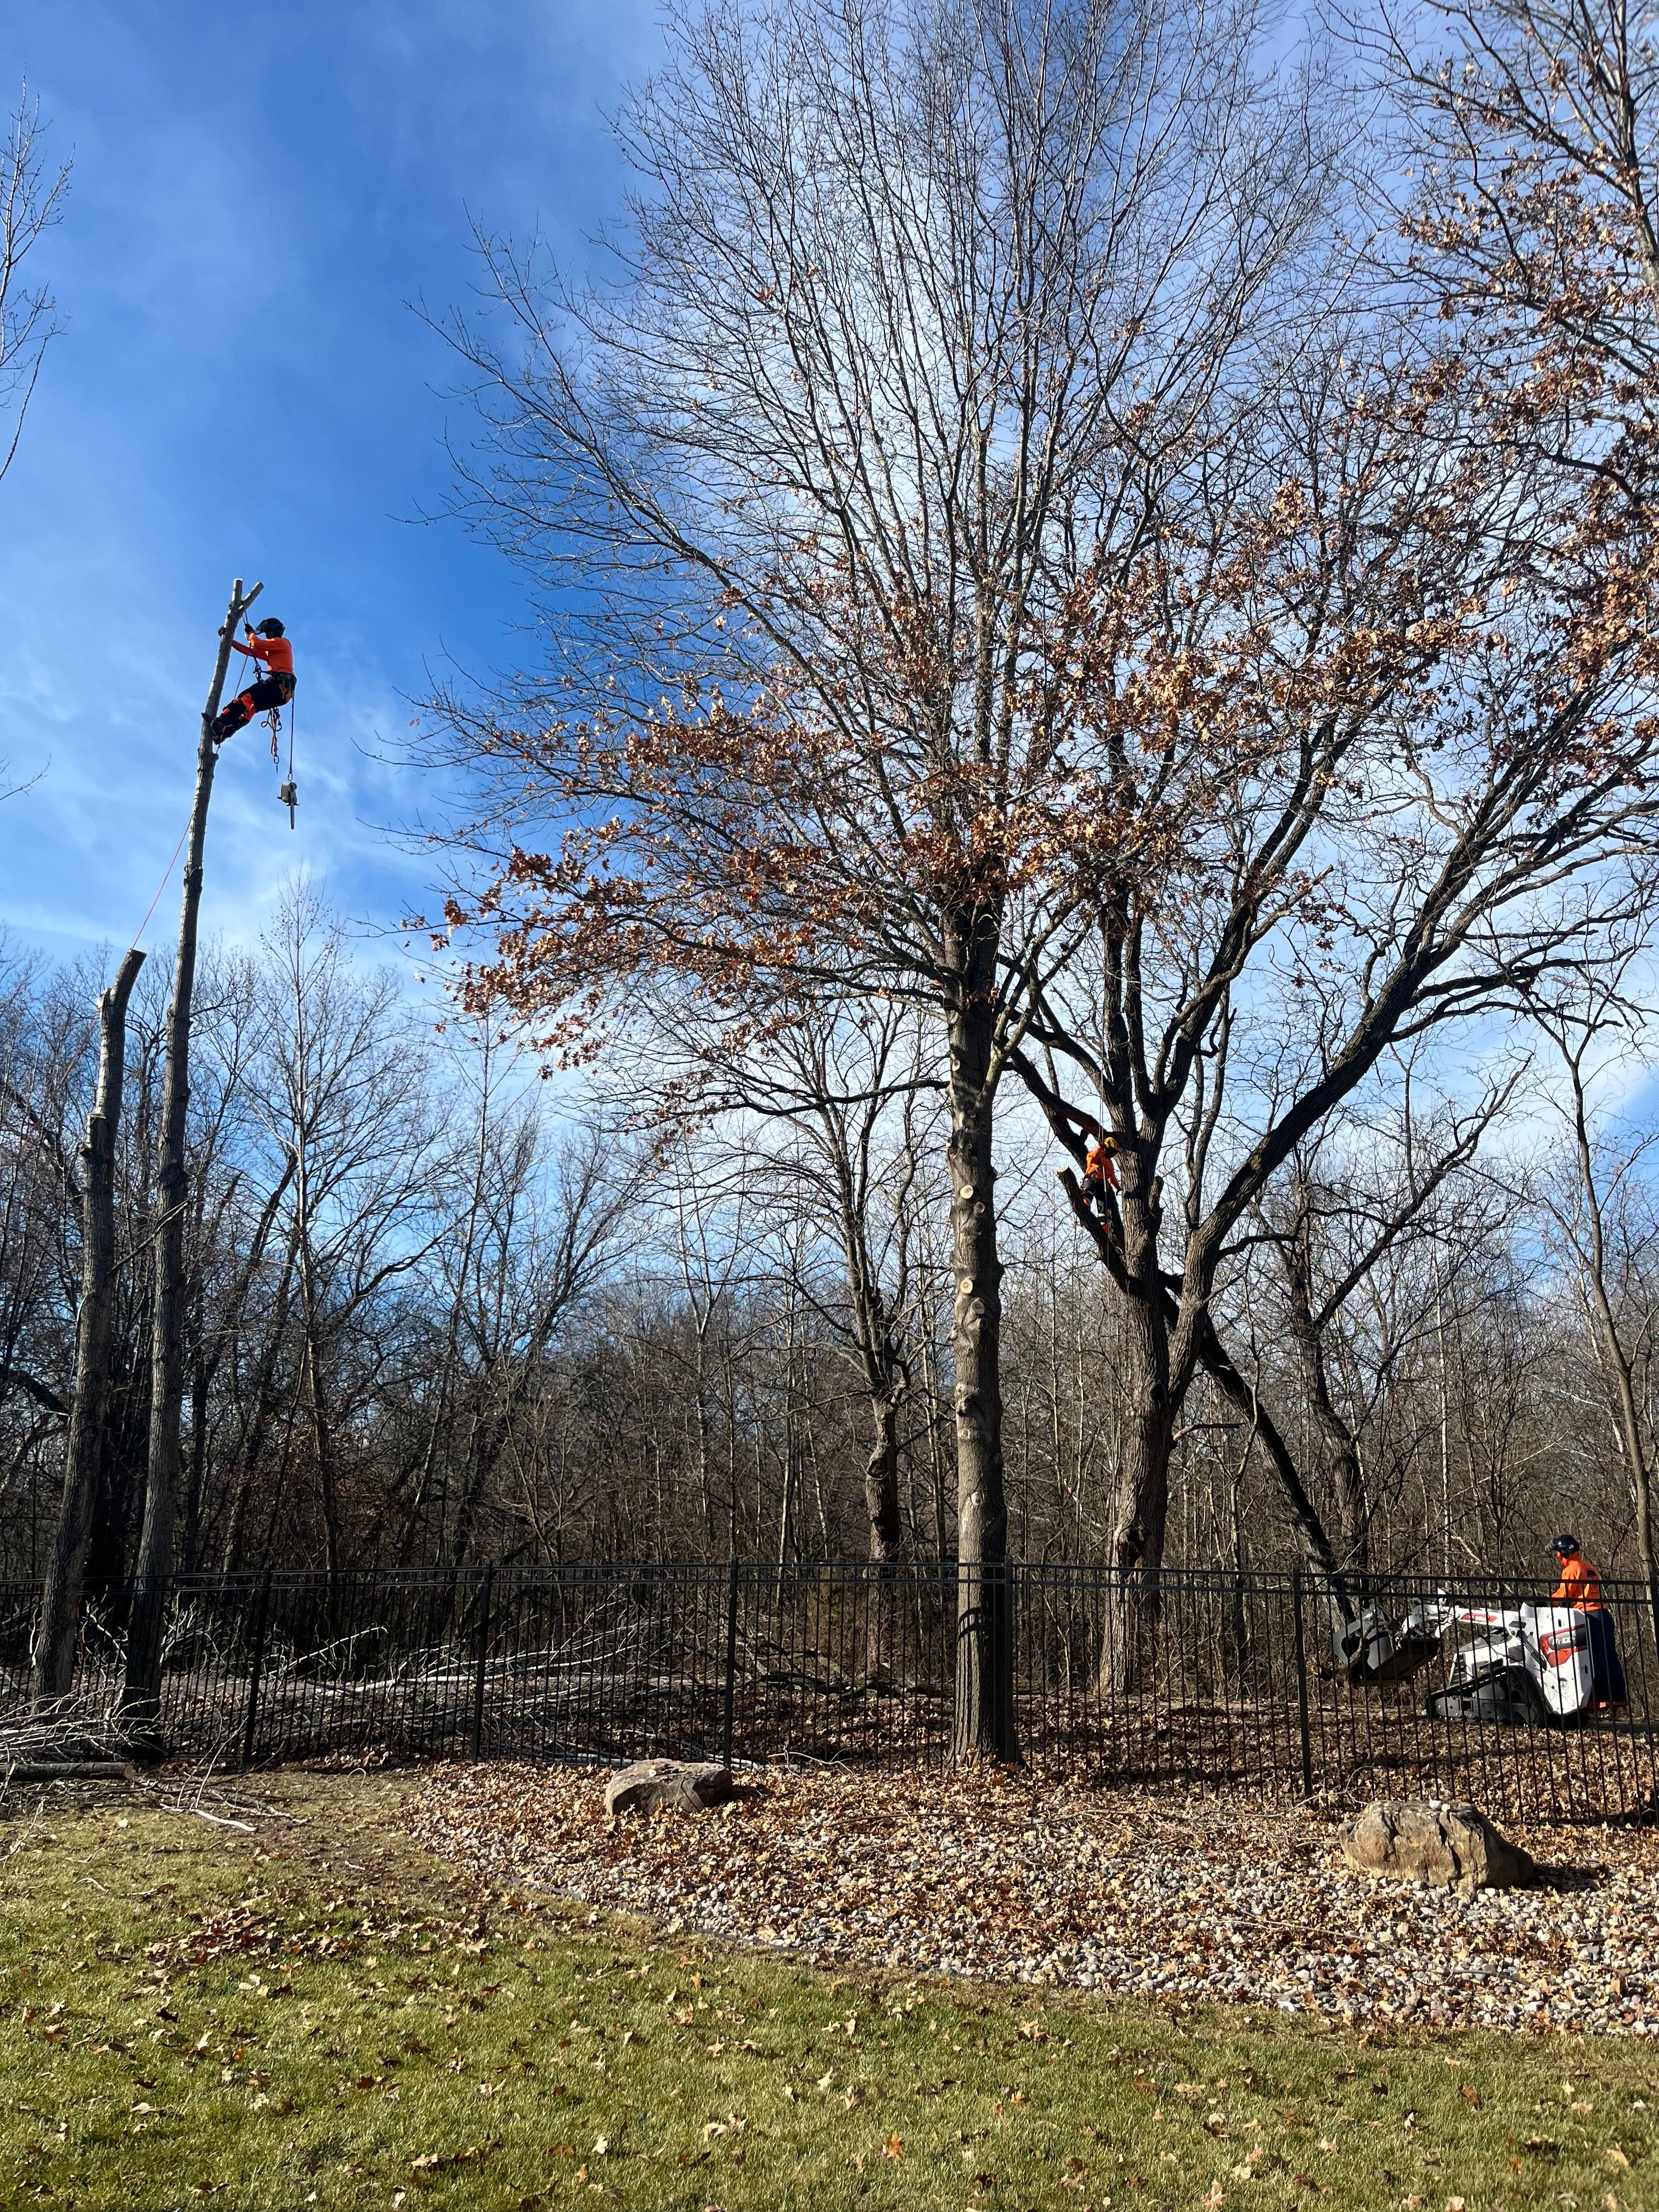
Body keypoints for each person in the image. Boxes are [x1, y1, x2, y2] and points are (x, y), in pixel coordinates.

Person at [1550, 1534, 1627, 1709]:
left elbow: (1565, 1594)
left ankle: (1601, 1697)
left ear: (1564, 1552)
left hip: (1589, 1617)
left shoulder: (1572, 1568)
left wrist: (1545, 1601)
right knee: (1609, 1655)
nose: (1558, 1557)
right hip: (1603, 1615)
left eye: (1558, 1553)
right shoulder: (1588, 1566)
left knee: (1594, 1657)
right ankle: (1617, 1695)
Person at [211, 617, 295, 742]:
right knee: (253, 708)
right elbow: (251, 651)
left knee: (248, 696)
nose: (267, 635)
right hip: (283, 693)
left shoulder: (283, 643)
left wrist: (251, 633)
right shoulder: (273, 652)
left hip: (279, 686)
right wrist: (229, 641)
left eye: (269, 632)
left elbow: (257, 644)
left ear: (275, 631)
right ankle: (225, 733)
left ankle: (221, 723)